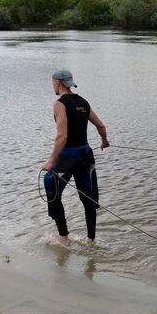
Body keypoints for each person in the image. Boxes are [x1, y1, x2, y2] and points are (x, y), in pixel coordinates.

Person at [42, 70, 109, 246]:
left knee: (51, 187)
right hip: (85, 155)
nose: (53, 86)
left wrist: (50, 161)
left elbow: (62, 137)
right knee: (89, 198)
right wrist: (104, 141)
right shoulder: (84, 102)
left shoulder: (59, 104)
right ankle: (91, 241)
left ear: (57, 83)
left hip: (67, 157)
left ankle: (64, 237)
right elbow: (101, 125)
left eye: (53, 83)